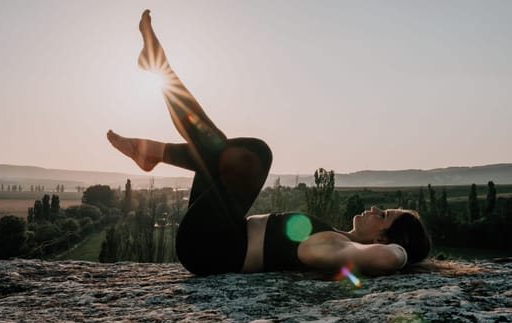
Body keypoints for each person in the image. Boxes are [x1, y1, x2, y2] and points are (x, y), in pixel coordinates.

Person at [107, 9, 431, 277]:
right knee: (226, 155)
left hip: (212, 248)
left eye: (384, 214)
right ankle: (156, 126)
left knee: (253, 155)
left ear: (382, 237)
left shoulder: (340, 247)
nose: (375, 208)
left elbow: (382, 260)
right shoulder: (336, 235)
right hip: (214, 235)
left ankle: (158, 88)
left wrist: (401, 252)